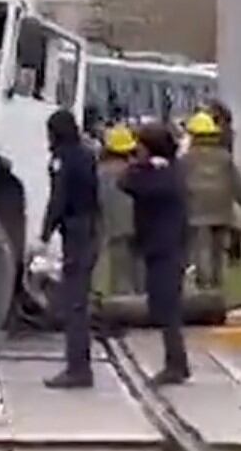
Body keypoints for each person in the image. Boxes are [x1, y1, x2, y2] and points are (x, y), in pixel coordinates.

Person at [121, 121, 191, 386]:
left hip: (166, 248)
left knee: (166, 307)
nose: (136, 151)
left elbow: (127, 183)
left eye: (141, 147)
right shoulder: (166, 171)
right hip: (160, 246)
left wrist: (143, 166)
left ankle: (176, 364)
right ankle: (177, 362)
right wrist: (146, 165)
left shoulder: (165, 176)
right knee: (161, 306)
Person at [41, 109, 100, 389]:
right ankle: (79, 365)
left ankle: (77, 368)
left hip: (75, 231)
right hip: (90, 227)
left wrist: (45, 231)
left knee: (74, 302)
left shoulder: (62, 159)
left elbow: (59, 197)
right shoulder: (87, 154)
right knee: (79, 298)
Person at [179, 110, 241, 291]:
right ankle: (217, 282)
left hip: (196, 207)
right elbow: (235, 181)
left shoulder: (187, 158)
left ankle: (204, 284)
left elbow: (179, 181)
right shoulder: (224, 156)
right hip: (221, 207)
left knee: (202, 248)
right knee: (218, 248)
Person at [94, 125, 141, 300]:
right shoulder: (134, 169)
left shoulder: (100, 171)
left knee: (115, 262)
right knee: (135, 262)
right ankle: (137, 295)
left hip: (110, 222)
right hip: (136, 221)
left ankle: (118, 296)